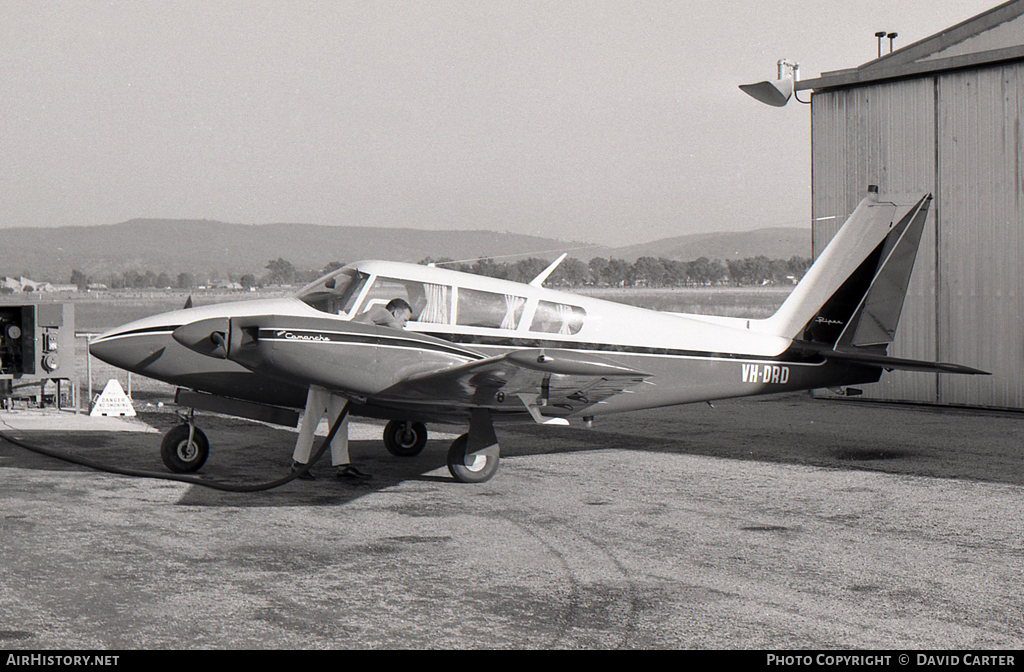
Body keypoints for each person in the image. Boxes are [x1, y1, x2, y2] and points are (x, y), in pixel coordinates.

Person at [290, 387, 372, 481]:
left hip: (340, 380)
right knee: (312, 418)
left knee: (340, 420)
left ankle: (342, 464)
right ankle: (299, 463)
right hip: (323, 379)